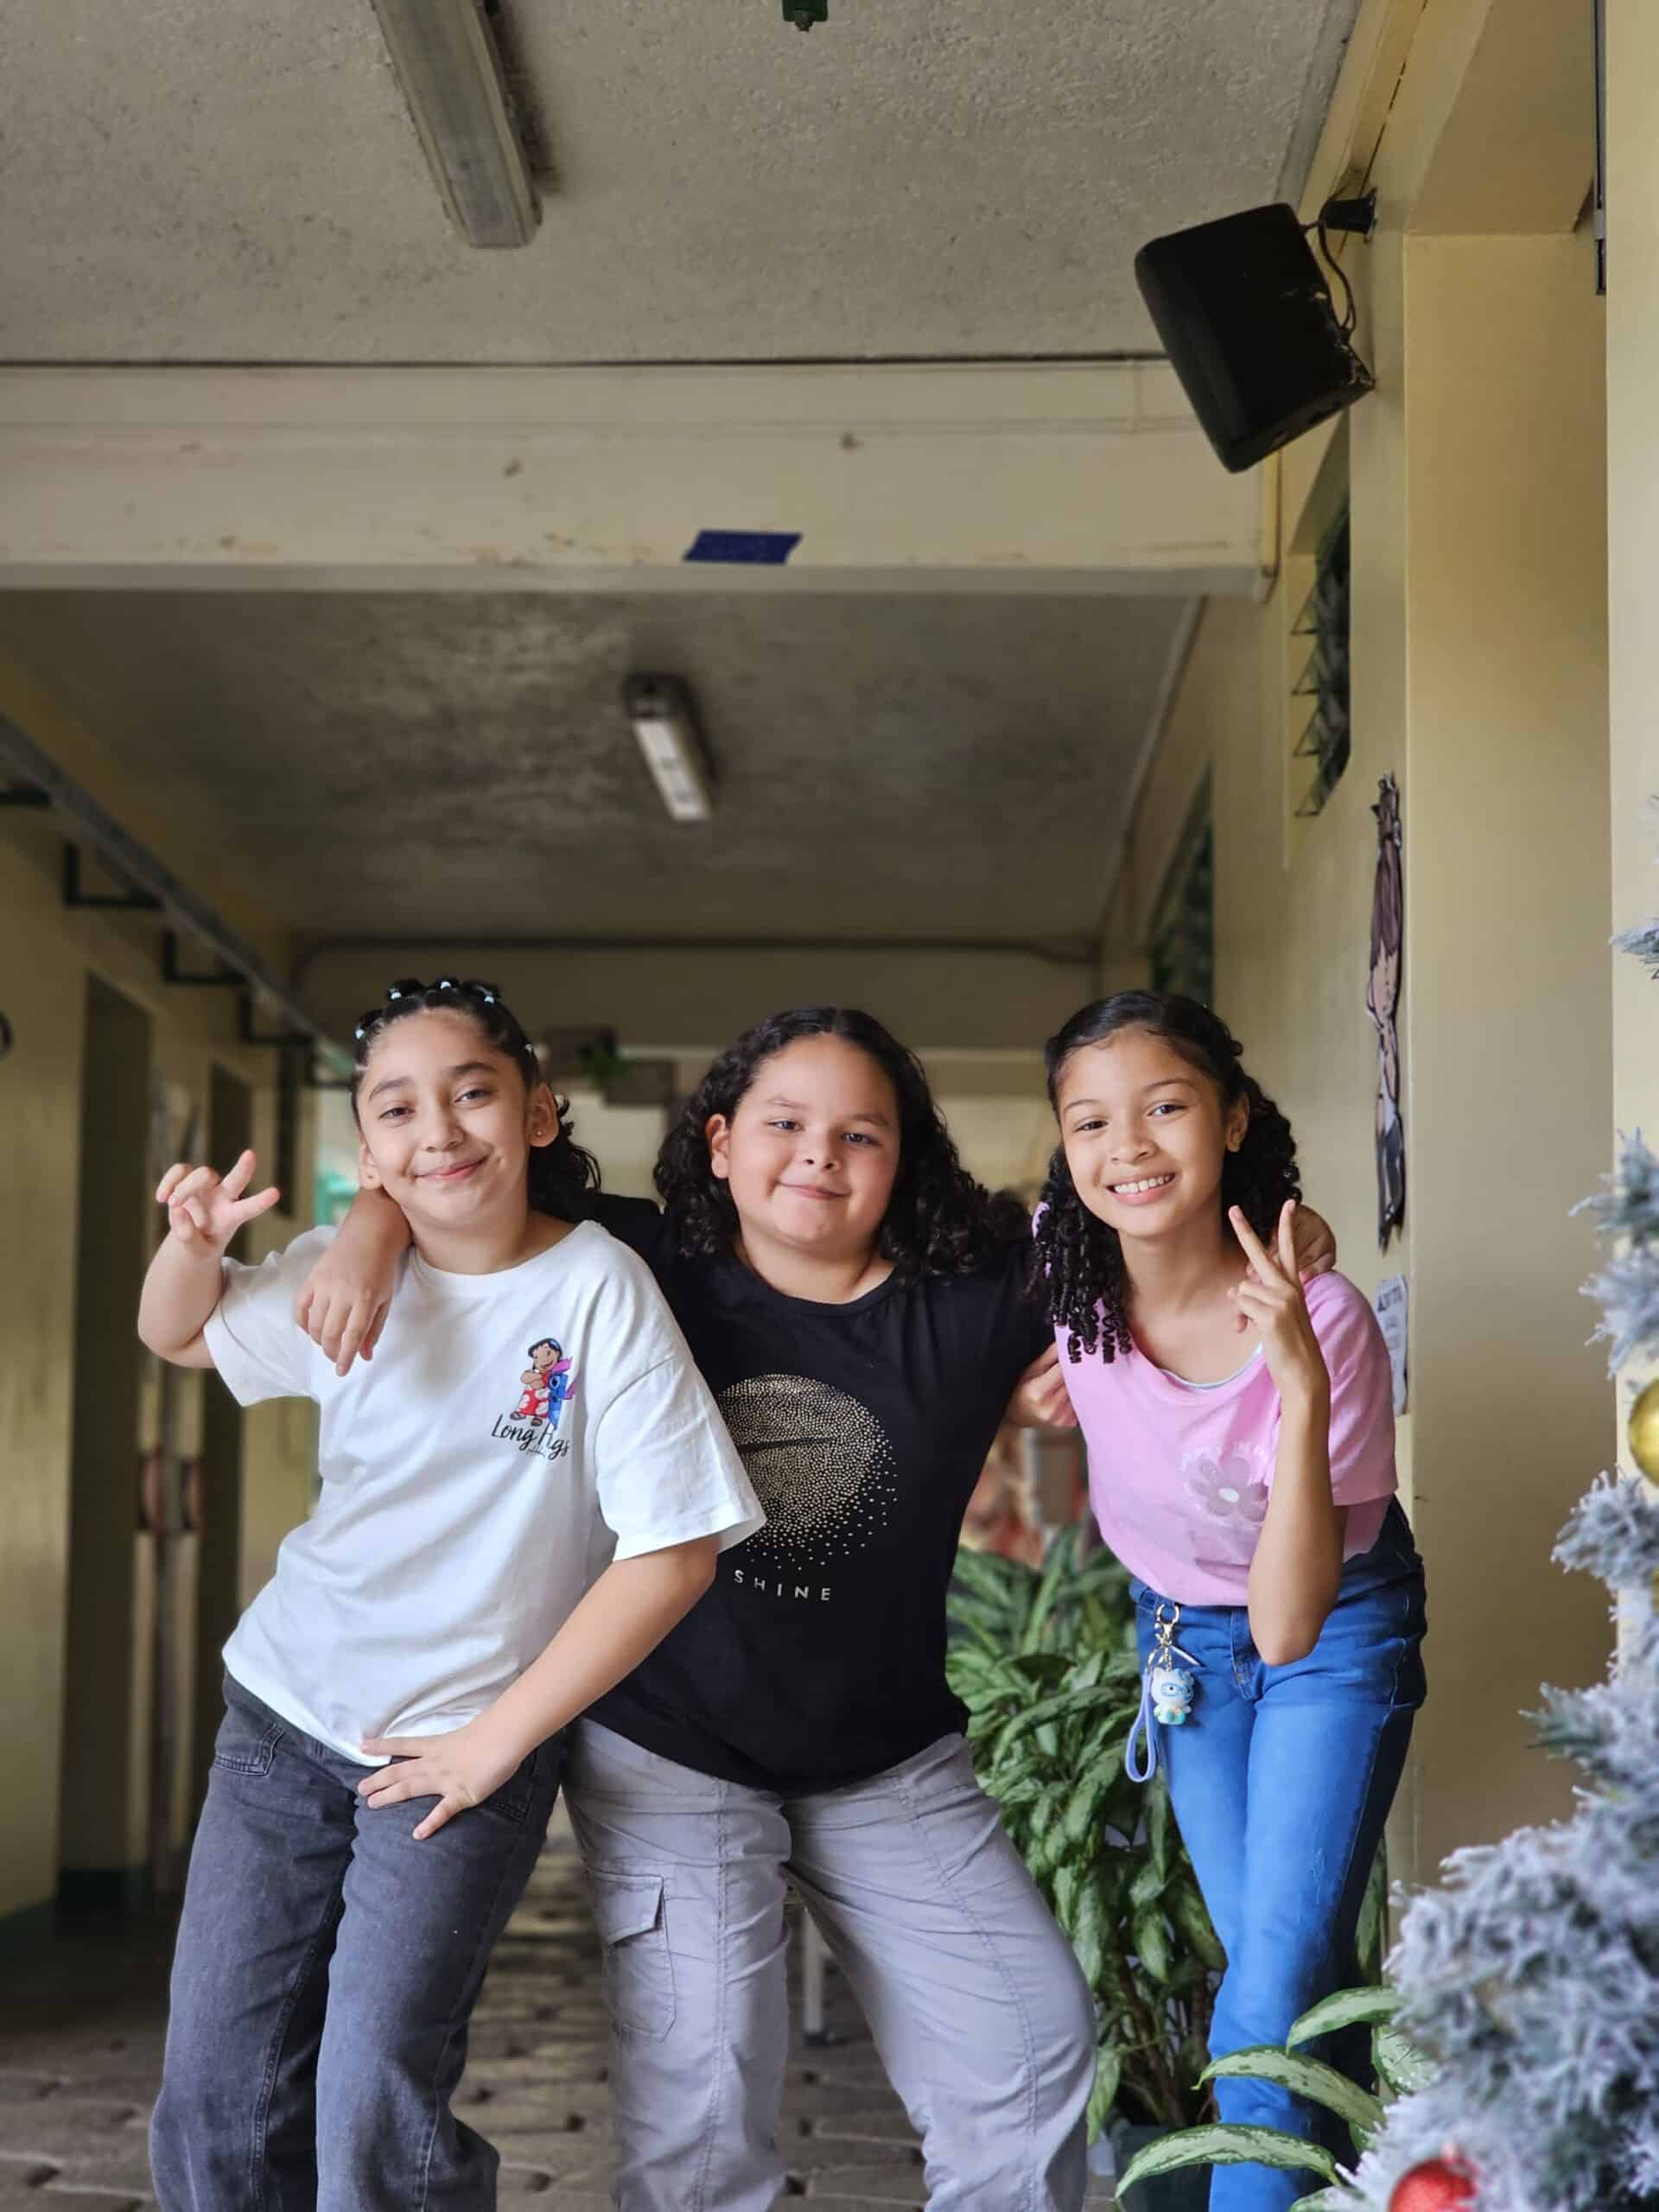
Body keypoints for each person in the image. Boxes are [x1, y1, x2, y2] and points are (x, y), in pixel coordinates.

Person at [303, 1002, 1338, 2212]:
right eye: (785, 1126)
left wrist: (1290, 1228)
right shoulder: (638, 1262)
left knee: (1029, 2048)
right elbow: (461, 1183)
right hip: (672, 1749)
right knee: (704, 2107)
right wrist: (368, 1227)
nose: (819, 1158)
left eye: (861, 1136)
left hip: (889, 1760)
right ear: (720, 1143)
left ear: (902, 1163)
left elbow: (1148, 1213)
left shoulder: (981, 1297)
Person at [139, 976, 761, 2212]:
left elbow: (675, 1552)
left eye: (471, 1094)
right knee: (213, 2094)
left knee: (373, 2094)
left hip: (460, 1752)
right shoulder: (342, 1268)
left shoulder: (599, 1289)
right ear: (369, 1154)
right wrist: (193, 1248)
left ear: (537, 1111)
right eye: (398, 1110)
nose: (439, 1131)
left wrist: (496, 1744)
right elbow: (181, 1336)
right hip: (283, 1716)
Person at [1033, 990, 1427, 2212]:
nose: (1128, 1147)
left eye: (1166, 1108)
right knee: (1289, 1966)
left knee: (1264, 1995)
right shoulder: (1069, 1275)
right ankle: (1352, 2187)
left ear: (1234, 1118)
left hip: (1327, 1633)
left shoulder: (1324, 1319)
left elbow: (1290, 1626)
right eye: (1090, 1122)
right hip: (1183, 1643)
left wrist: (1298, 1385)